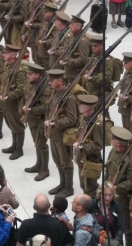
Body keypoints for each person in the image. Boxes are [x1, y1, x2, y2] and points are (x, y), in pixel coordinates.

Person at [45, 68, 78, 198]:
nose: (49, 83)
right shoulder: (55, 93)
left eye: (52, 80)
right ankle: (62, 184)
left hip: (63, 135)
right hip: (54, 134)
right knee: (58, 160)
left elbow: (72, 118)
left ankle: (68, 187)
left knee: (66, 161)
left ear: (60, 80)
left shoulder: (68, 98)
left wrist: (55, 124)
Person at [22, 62, 51, 181]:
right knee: (37, 142)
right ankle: (38, 164)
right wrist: (24, 114)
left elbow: (46, 107)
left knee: (42, 144)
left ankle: (44, 169)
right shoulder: (30, 84)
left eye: (30, 74)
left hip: (41, 119)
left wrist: (31, 110)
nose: (27, 76)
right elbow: (25, 98)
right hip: (32, 118)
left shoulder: (46, 88)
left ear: (38, 75)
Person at [74, 94, 103, 197]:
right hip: (82, 158)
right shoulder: (84, 118)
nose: (78, 107)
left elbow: (98, 145)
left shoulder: (97, 123)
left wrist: (83, 146)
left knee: (91, 187)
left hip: (90, 160)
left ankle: (94, 208)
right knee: (84, 185)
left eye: (80, 105)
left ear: (86, 108)